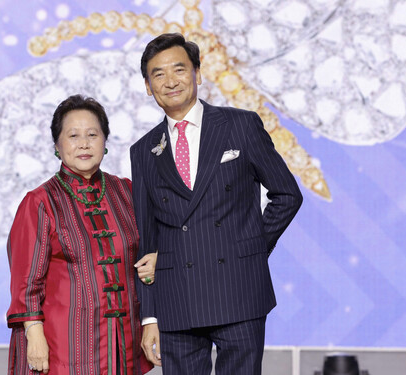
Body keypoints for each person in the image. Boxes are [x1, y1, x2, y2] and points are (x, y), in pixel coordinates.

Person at [130, 33, 303, 375]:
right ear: (148, 86)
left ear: (197, 72)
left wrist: (249, 249)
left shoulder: (239, 125)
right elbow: (146, 242)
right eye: (158, 74)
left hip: (238, 290)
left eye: (178, 69)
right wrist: (149, 316)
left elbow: (287, 195)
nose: (170, 81)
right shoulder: (144, 150)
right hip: (176, 298)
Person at [6, 94, 155, 375]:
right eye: (73, 135)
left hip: (122, 342)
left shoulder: (126, 192)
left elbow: (149, 256)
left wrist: (151, 320)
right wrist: (33, 335)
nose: (84, 143)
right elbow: (25, 281)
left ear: (105, 142)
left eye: (92, 134)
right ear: (57, 145)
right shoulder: (40, 202)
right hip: (64, 345)